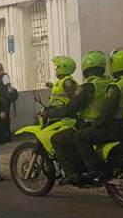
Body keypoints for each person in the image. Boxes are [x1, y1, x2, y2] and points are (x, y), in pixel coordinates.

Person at [75, 49, 123, 181]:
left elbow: (107, 110)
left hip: (115, 126)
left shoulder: (116, 86)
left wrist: (97, 123)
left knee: (80, 137)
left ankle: (96, 170)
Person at [46, 51, 113, 183]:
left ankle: (73, 174)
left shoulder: (89, 85)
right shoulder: (111, 81)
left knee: (58, 139)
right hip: (107, 123)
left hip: (90, 123)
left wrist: (54, 113)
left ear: (86, 68)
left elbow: (73, 105)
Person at [0, 63, 15, 143]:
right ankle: (2, 137)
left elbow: (9, 88)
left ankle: (6, 137)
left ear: (0, 68)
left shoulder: (4, 77)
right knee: (1, 120)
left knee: (4, 120)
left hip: (5, 102)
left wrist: (7, 102)